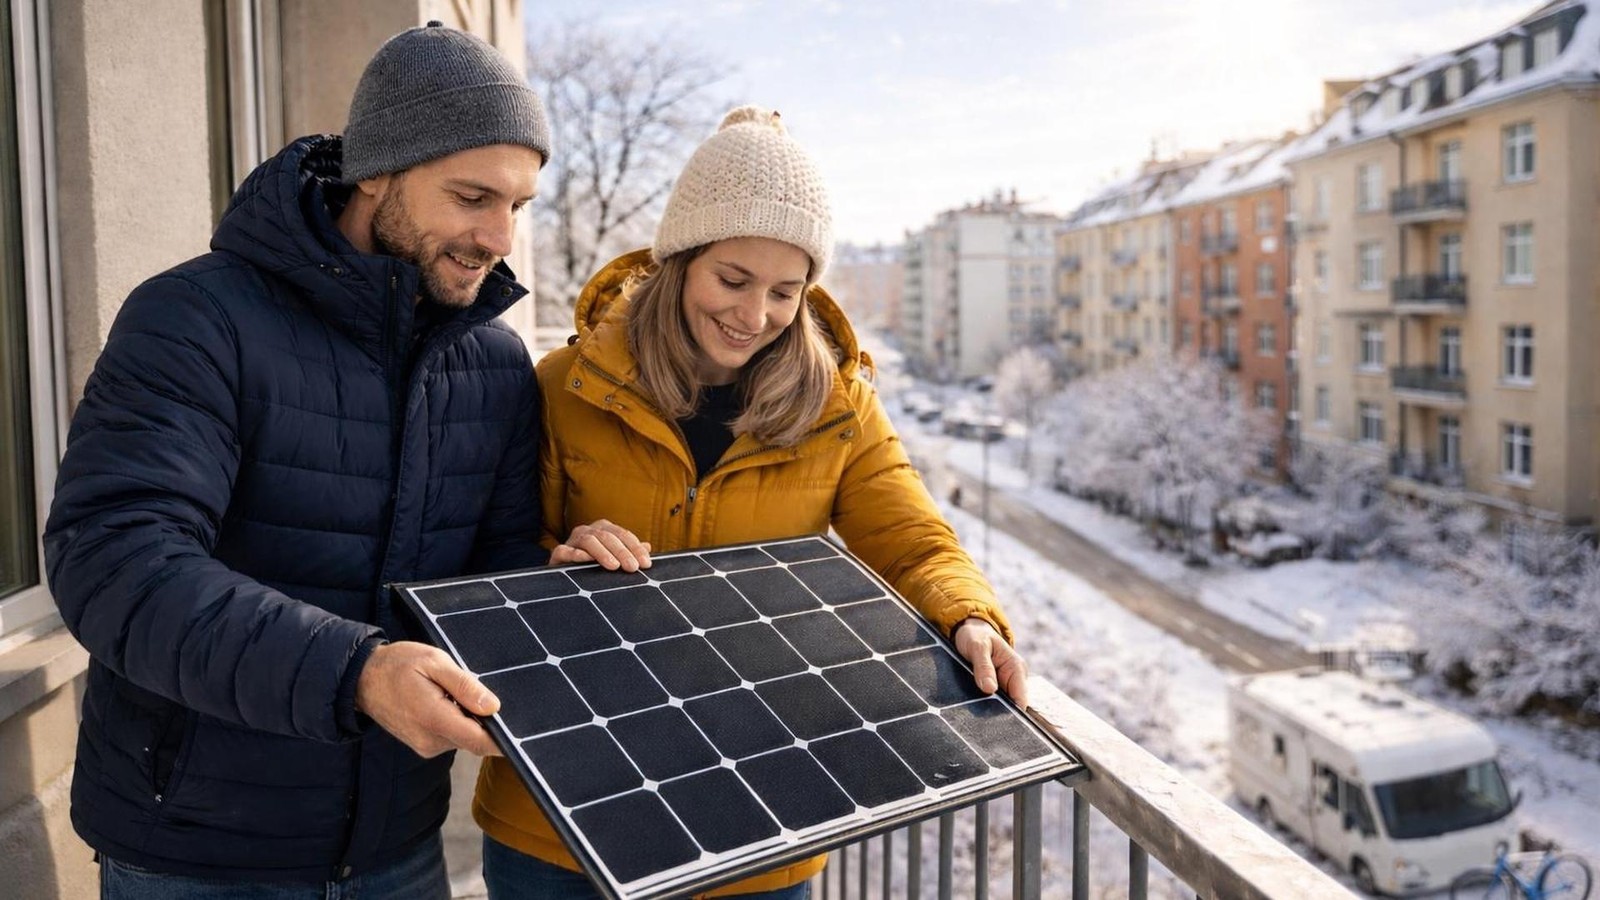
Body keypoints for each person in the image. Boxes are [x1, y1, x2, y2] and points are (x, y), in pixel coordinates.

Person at [43, 22, 562, 899]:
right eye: (473, 197)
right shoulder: (197, 318)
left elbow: (491, 569)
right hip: (197, 850)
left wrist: (559, 576)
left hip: (396, 842)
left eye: (517, 205)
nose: (500, 236)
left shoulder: (493, 363)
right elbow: (115, 559)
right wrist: (356, 673)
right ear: (378, 173)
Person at [472, 106, 1030, 899]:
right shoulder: (567, 388)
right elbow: (491, 551)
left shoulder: (839, 408)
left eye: (784, 292)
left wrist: (970, 616)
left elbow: (913, 541)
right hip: (562, 822)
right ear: (680, 260)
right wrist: (556, 557)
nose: (754, 315)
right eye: (732, 280)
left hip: (758, 833)